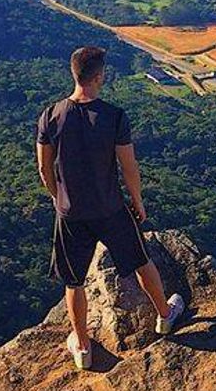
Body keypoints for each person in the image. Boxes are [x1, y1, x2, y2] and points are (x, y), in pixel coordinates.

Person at [36, 45, 184, 369]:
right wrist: (138, 201)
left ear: (74, 74)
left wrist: (56, 197)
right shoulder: (114, 116)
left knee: (73, 281)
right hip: (111, 208)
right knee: (142, 261)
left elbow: (44, 169)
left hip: (70, 212)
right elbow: (128, 167)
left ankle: (83, 348)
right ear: (100, 76)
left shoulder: (50, 116)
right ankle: (164, 315)